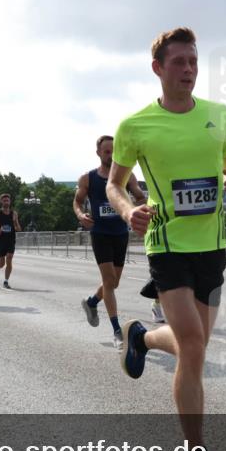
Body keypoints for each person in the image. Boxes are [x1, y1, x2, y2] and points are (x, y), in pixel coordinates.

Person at [107, 27, 226, 451]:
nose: (189, 70)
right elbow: (114, 183)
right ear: (158, 68)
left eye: (193, 61)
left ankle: (142, 338)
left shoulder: (219, 116)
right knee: (192, 344)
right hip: (166, 246)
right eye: (179, 62)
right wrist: (128, 210)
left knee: (197, 344)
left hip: (212, 245)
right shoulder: (135, 126)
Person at [76, 135, 147, 346]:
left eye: (114, 151)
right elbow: (77, 201)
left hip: (120, 232)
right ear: (98, 153)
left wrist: (136, 209)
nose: (111, 155)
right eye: (107, 152)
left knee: (114, 282)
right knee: (108, 281)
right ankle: (117, 331)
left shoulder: (128, 176)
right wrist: (80, 215)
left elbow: (140, 197)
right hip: (100, 233)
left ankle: (91, 302)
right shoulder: (88, 178)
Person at [0, 193, 22, 289]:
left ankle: (6, 281)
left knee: (9, 258)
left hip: (11, 240)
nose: (6, 202)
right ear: (1, 202)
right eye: (4, 200)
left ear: (10, 201)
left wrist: (16, 226)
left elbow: (18, 227)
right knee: (2, 263)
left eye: (7, 200)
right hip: (1, 241)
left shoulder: (14, 214)